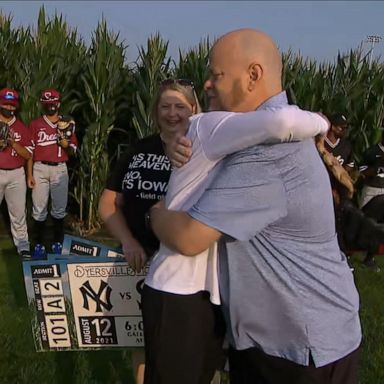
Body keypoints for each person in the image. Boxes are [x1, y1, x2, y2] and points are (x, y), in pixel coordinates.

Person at [149, 28, 361, 384]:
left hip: (295, 348)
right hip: (313, 333)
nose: (207, 85)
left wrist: (155, 213)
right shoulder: (257, 138)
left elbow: (188, 238)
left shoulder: (266, 156)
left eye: (216, 75)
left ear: (253, 76)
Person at [100, 78, 328, 384]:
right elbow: (283, 120)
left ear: (191, 109)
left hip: (212, 289)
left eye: (179, 106)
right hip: (179, 287)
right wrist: (321, 122)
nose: (172, 113)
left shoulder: (217, 138)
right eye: (165, 106)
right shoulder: (208, 126)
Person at [28, 89, 78, 257]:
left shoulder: (67, 123)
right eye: (47, 104)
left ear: (59, 103)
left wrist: (66, 144)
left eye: (53, 103)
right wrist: (29, 174)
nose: (51, 106)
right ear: (43, 104)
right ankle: (38, 245)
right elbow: (29, 152)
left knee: (59, 208)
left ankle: (57, 243)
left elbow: (73, 151)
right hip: (40, 167)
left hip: (59, 168)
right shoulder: (35, 124)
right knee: (39, 208)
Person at [0, 88, 33, 257]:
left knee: (19, 213)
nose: (9, 107)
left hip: (16, 174)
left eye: (12, 105)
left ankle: (23, 247)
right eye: (6, 103)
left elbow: (28, 154)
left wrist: (12, 143)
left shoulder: (21, 127)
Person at [358, 128, 384, 269]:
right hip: (372, 189)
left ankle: (369, 258)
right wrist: (378, 165)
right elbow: (361, 171)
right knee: (364, 223)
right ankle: (348, 254)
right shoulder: (373, 152)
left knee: (379, 228)